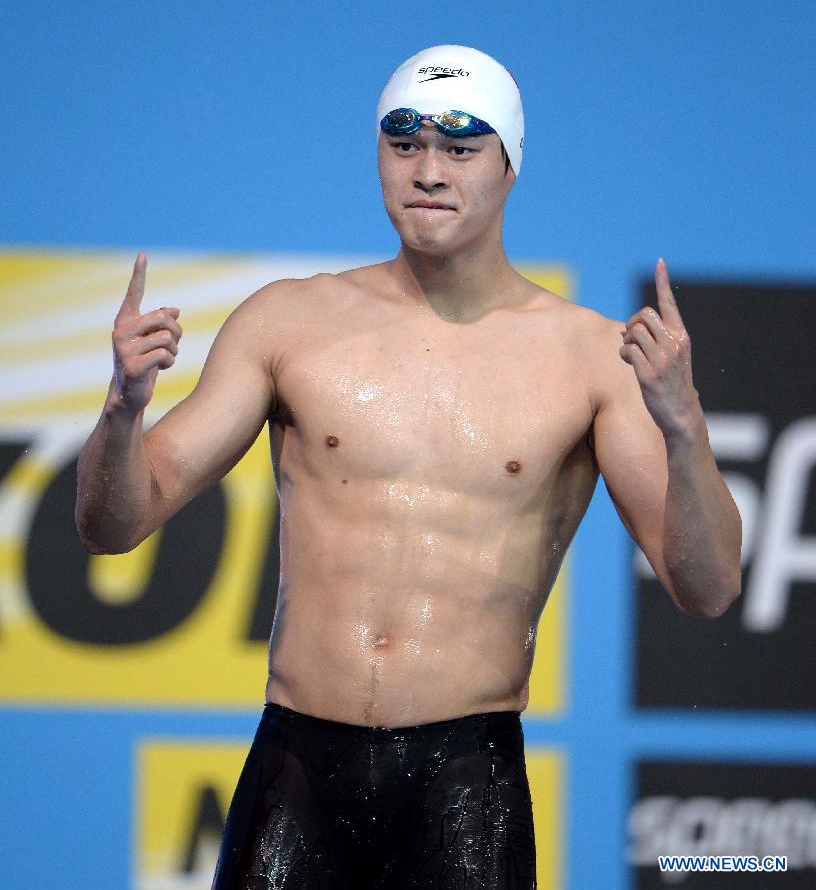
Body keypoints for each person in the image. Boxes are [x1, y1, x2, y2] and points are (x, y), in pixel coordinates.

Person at [75, 44, 742, 889]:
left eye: (460, 149)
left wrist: (683, 431)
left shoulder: (588, 359)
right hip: (297, 772)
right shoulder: (289, 323)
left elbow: (709, 587)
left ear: (509, 167)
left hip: (467, 785)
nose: (428, 170)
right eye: (405, 145)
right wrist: (123, 410)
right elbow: (112, 524)